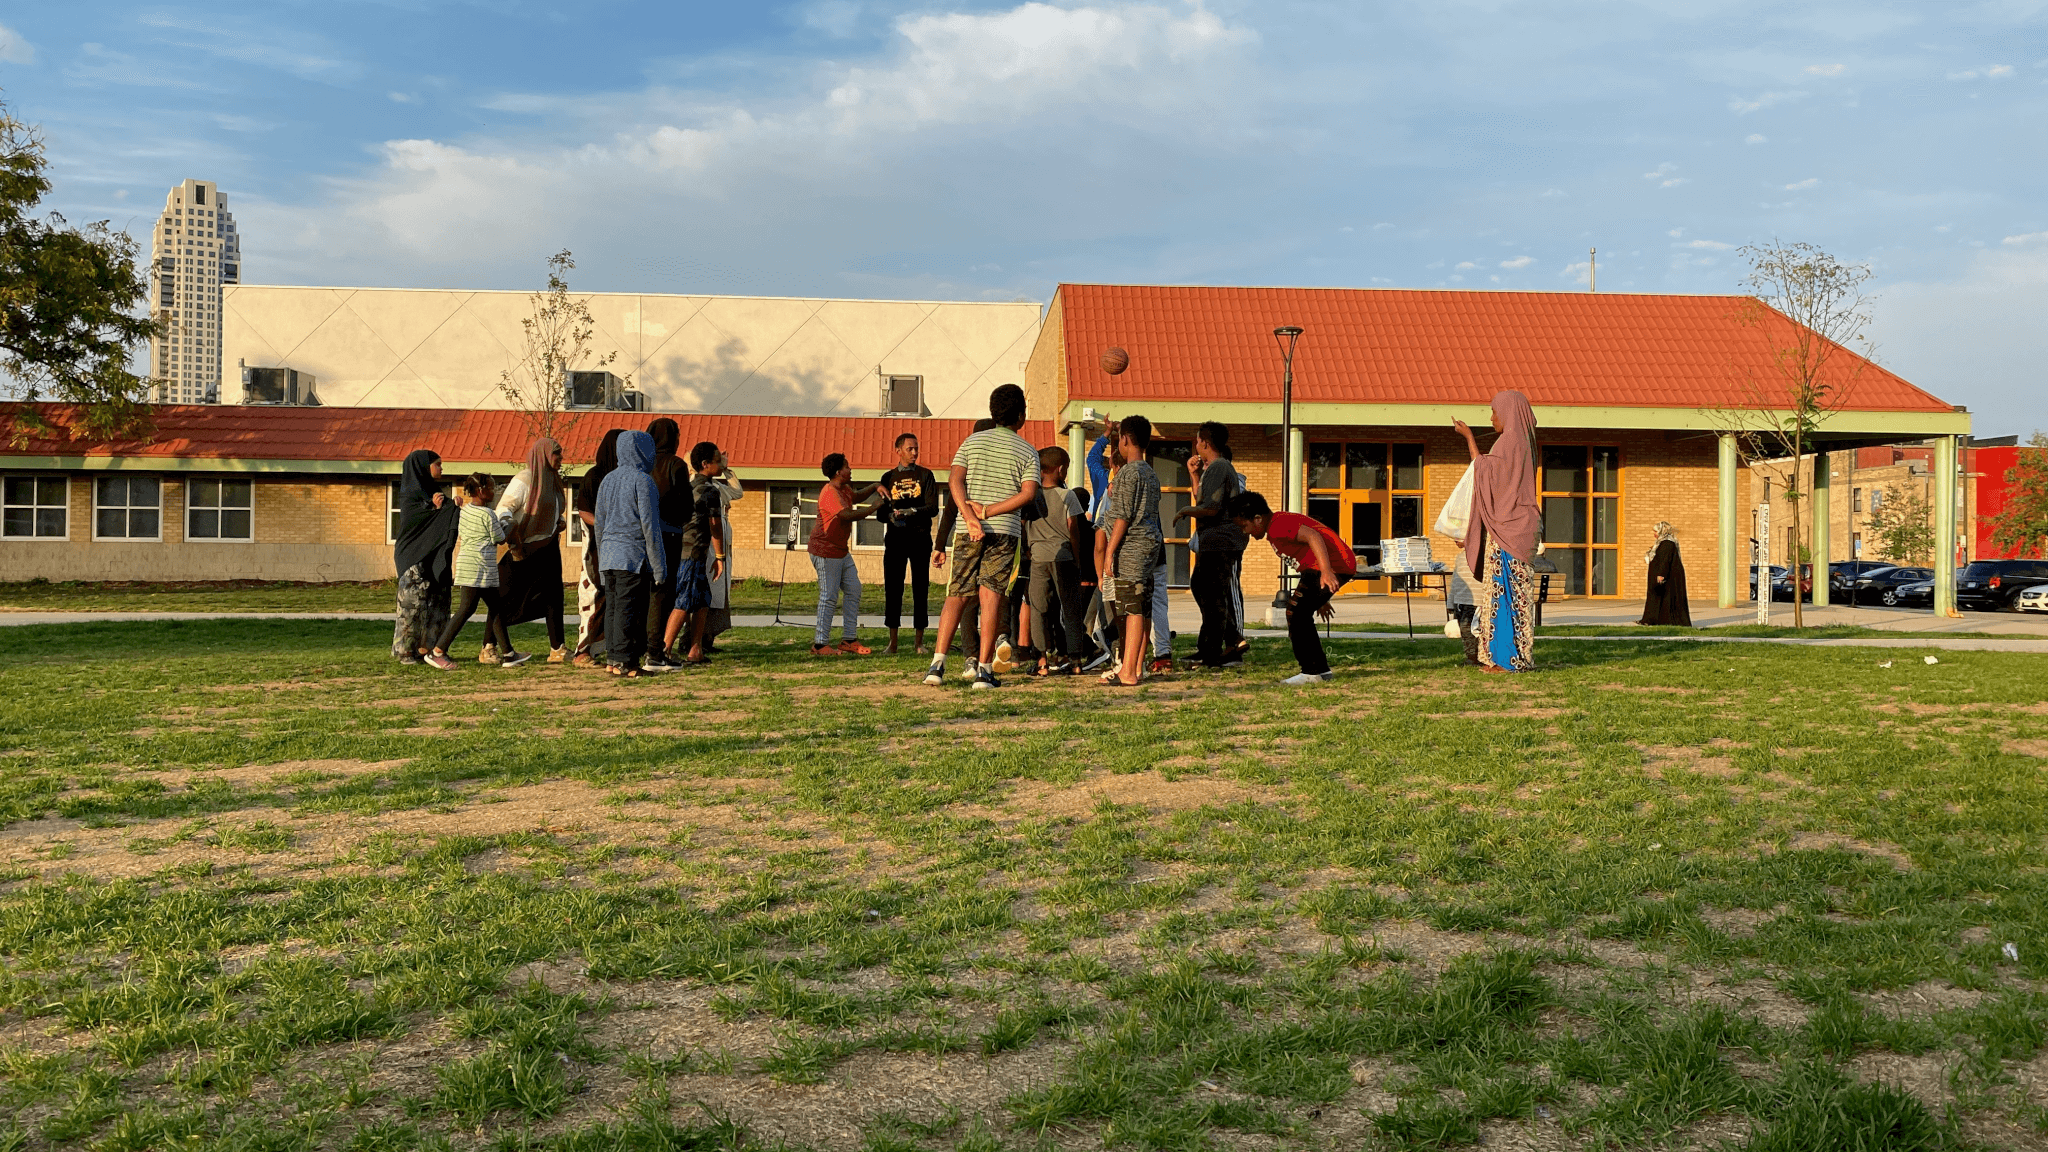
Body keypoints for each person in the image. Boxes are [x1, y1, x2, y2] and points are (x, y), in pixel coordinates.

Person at [924, 385, 1041, 689]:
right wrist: (988, 512)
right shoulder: (1027, 450)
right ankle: (984, 671)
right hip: (1004, 531)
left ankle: (936, 667)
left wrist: (970, 516)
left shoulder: (971, 442)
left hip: (967, 532)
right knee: (991, 598)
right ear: (1021, 416)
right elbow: (1028, 494)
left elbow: (954, 480)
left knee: (957, 594)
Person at [1228, 490, 1356, 684]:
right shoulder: (1274, 528)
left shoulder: (1278, 525)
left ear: (1257, 519)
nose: (1244, 531)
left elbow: (1313, 536)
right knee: (1300, 612)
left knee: (1295, 613)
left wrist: (1327, 571)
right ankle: (1321, 671)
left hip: (1332, 566)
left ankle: (1311, 672)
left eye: (1244, 526)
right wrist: (1320, 598)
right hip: (1320, 569)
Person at [1454, 390, 1541, 673]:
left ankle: (1510, 660)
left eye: (1494, 412)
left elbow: (1485, 473)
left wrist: (1469, 438)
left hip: (1510, 532)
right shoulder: (1523, 443)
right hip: (1516, 529)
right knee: (1503, 595)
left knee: (1507, 596)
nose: (1492, 419)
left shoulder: (1509, 442)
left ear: (1508, 412)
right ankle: (1501, 658)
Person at [424, 473, 529, 669]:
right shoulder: (487, 515)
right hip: (479, 569)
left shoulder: (464, 511)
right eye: (491, 487)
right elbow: (499, 539)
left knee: (496, 608)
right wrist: (511, 525)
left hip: (470, 567)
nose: (494, 492)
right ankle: (437, 652)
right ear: (480, 491)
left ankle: (509, 654)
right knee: (466, 609)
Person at [1177, 421, 1248, 669]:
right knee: (1203, 589)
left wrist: (1186, 510)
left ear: (1205, 442)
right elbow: (1203, 499)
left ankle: (1218, 650)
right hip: (1212, 542)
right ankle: (1225, 642)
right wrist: (1195, 476)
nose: (1196, 446)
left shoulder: (1220, 466)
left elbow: (1212, 507)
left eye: (1198, 441)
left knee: (1214, 595)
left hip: (1221, 542)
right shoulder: (1213, 470)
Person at [596, 429, 666, 678]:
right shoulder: (643, 481)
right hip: (632, 557)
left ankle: (613, 659)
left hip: (608, 556)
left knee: (613, 609)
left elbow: (599, 524)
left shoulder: (607, 480)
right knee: (630, 610)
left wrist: (601, 559)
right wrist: (659, 566)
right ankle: (628, 663)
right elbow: (650, 526)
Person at [1100, 415, 1163, 687]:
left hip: (1132, 546)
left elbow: (1123, 516)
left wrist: (1109, 552)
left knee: (1131, 608)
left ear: (1124, 439)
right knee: (1143, 605)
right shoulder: (1150, 472)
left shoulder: (1128, 472)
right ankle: (1135, 667)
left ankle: (1127, 672)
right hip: (1150, 545)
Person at [494, 436, 569, 663]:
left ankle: (558, 649)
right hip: (522, 549)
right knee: (505, 598)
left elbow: (553, 510)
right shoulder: (525, 479)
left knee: (554, 597)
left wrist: (559, 522)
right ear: (544, 455)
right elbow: (505, 508)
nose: (561, 458)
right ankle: (489, 646)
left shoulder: (554, 481)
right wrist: (510, 531)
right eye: (557, 453)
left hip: (548, 547)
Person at [656, 441, 728, 664]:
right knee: (684, 601)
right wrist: (720, 556)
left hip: (682, 550)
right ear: (705, 464)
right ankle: (664, 650)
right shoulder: (709, 491)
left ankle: (695, 649)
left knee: (702, 599)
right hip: (693, 552)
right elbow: (715, 525)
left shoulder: (687, 486)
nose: (723, 464)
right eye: (718, 460)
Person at [1025, 446, 1092, 676]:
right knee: (1071, 608)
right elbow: (1073, 528)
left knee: (1039, 608)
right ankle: (1075, 660)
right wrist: (1077, 556)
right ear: (1061, 470)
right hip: (1063, 556)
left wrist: (1028, 551)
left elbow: (1024, 526)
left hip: (1038, 557)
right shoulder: (1068, 495)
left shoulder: (1031, 496)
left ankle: (1042, 660)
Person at [392, 449, 458, 664]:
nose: (441, 468)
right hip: (413, 557)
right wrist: (439, 509)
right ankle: (405, 651)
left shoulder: (433, 491)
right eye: (437, 464)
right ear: (422, 467)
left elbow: (447, 514)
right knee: (413, 606)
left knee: (435, 603)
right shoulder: (410, 495)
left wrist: (450, 506)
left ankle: (426, 649)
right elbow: (421, 523)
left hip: (432, 558)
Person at [810, 452, 879, 656]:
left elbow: (856, 497)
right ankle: (820, 645)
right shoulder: (830, 492)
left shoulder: (844, 489)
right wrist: (872, 509)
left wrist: (875, 486)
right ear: (839, 472)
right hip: (825, 551)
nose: (851, 469)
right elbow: (846, 515)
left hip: (840, 551)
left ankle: (849, 639)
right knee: (829, 596)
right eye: (847, 466)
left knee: (854, 589)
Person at [878, 433, 940, 654]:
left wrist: (912, 511)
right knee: (893, 589)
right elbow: (880, 514)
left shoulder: (925, 475)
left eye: (916, 448)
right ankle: (892, 642)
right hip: (895, 540)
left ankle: (919, 642)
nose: (914, 453)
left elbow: (933, 508)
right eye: (910, 449)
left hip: (920, 539)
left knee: (920, 588)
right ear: (898, 451)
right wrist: (892, 516)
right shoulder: (887, 477)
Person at [571, 429, 622, 668]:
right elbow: (584, 511)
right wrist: (606, 524)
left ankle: (606, 646)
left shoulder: (623, 476)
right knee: (594, 596)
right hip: (596, 548)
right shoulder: (594, 476)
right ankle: (582, 651)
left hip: (619, 547)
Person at [643, 417, 689, 671]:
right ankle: (655, 653)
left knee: (645, 594)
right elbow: (685, 504)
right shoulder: (675, 464)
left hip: (641, 536)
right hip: (668, 535)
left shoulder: (641, 464)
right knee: (663, 594)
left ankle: (644, 650)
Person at [703, 452, 743, 649]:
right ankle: (697, 639)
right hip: (710, 544)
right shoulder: (698, 486)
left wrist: (726, 471)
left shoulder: (716, 486)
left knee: (720, 594)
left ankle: (709, 637)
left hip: (723, 542)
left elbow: (737, 492)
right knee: (710, 590)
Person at [1639, 521, 1693, 626]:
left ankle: (1661, 620)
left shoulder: (1667, 543)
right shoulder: (1661, 543)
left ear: (1661, 531)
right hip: (1661, 575)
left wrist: (1661, 574)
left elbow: (1665, 560)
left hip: (1666, 577)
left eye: (1655, 531)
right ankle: (1652, 619)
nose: (1654, 533)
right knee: (1658, 598)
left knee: (1664, 598)